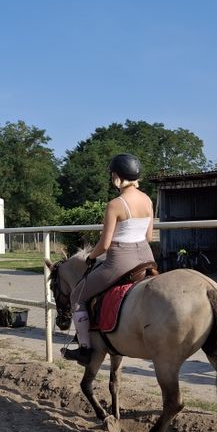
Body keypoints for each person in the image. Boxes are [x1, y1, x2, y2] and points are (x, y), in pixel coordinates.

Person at [62, 153, 155, 365]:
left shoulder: (116, 204)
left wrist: (91, 257)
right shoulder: (147, 200)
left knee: (77, 296)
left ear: (116, 176)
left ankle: (84, 349)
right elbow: (149, 237)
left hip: (121, 261)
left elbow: (104, 245)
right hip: (147, 257)